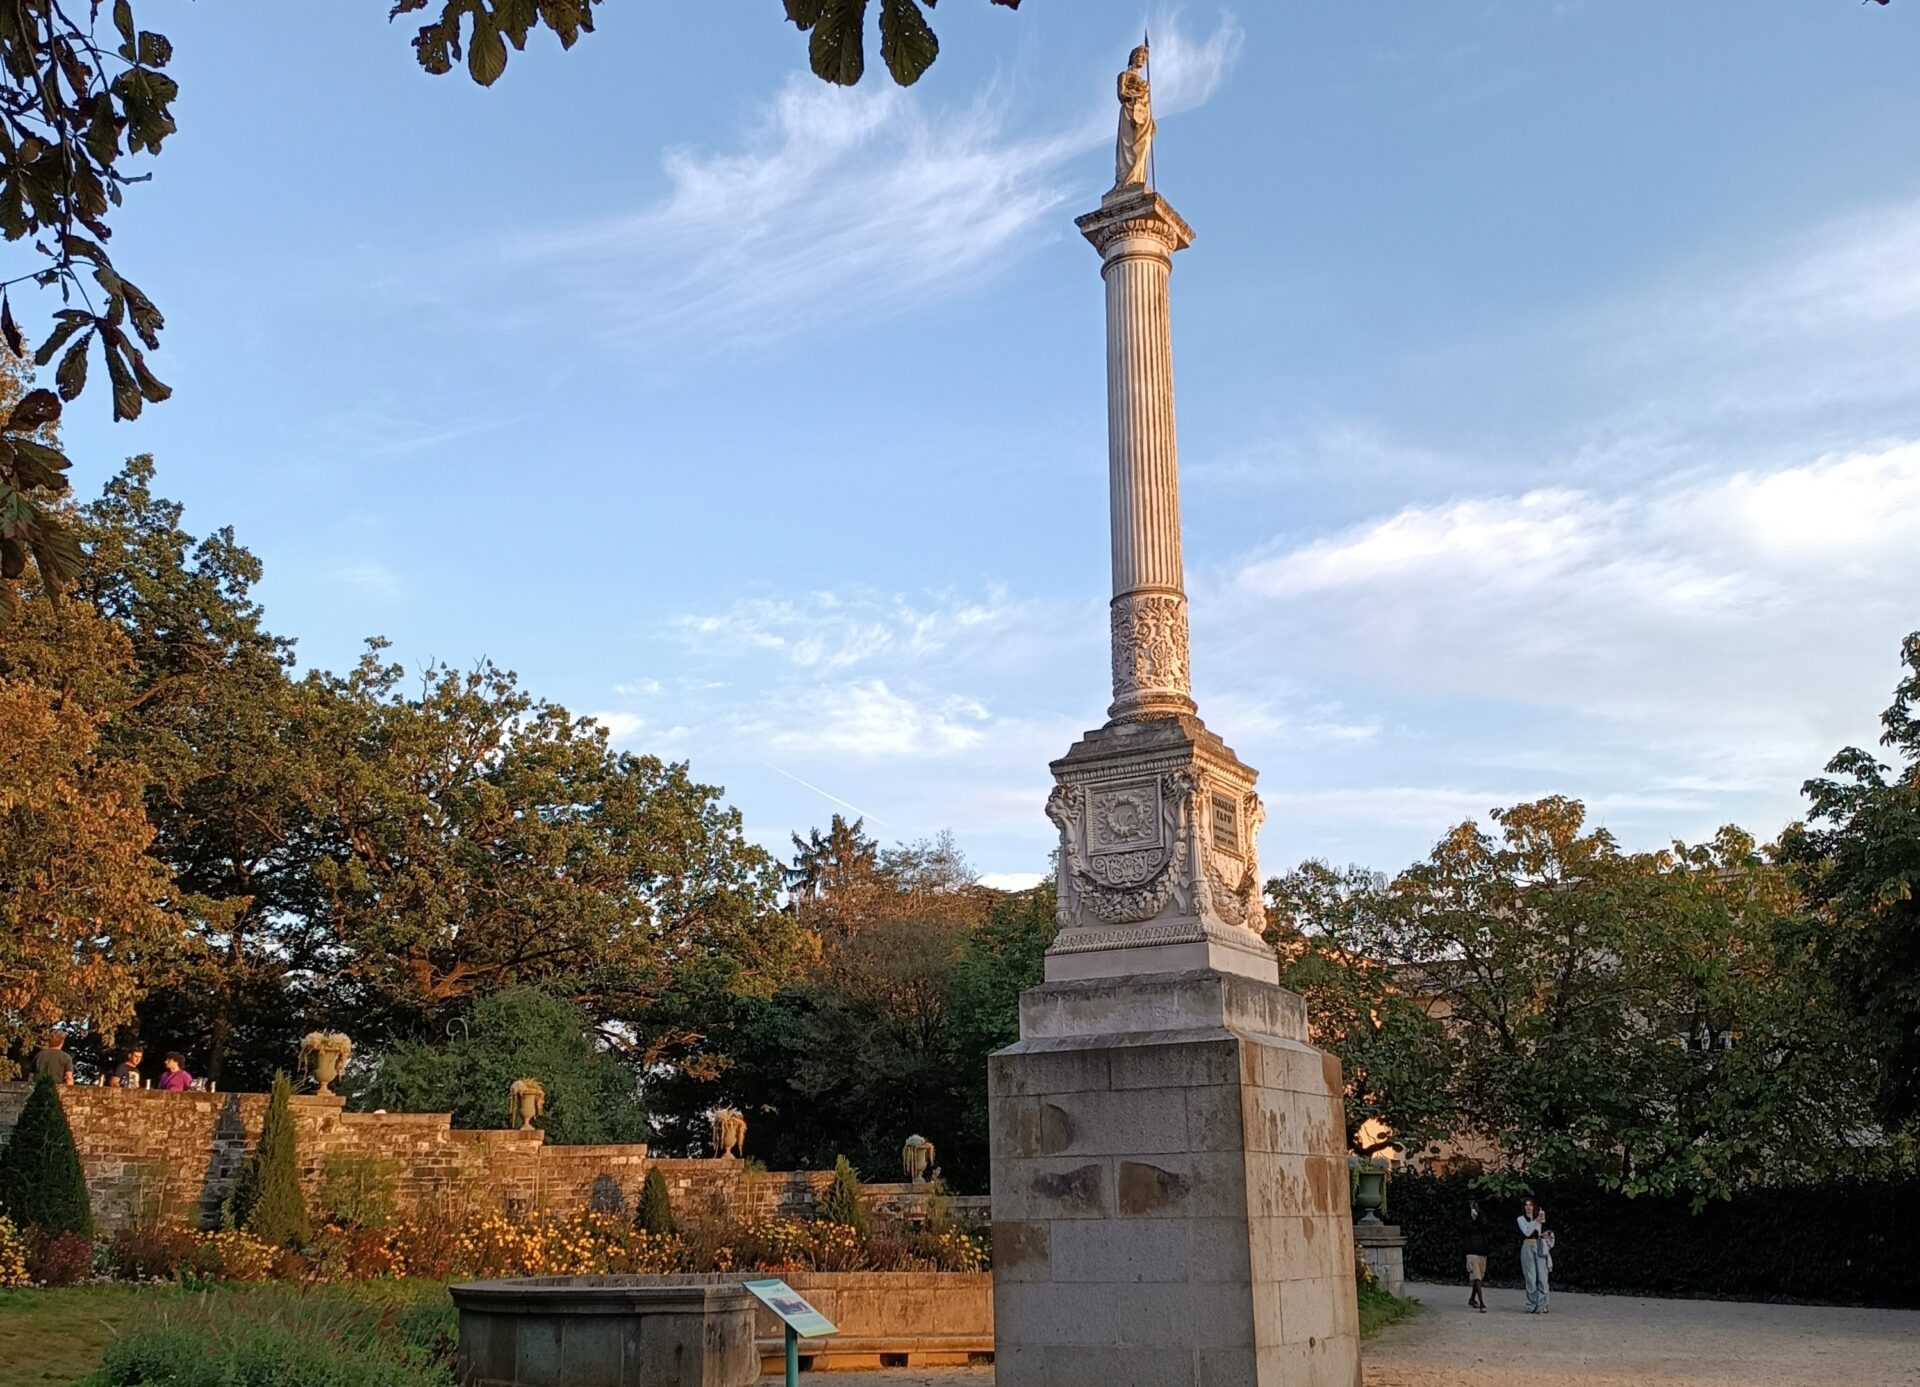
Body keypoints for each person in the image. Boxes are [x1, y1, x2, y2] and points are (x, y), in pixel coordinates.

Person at [1518, 1198, 1551, 1314]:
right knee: (1530, 1278)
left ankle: (1543, 1304)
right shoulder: (1521, 1219)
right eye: (1526, 1205)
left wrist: (1546, 1234)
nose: (1528, 1207)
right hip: (1527, 1246)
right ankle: (1531, 1304)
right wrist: (1536, 1222)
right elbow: (1526, 1232)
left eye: (1530, 1205)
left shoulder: (1540, 1218)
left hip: (1539, 1246)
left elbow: (1541, 1233)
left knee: (1542, 1277)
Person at [1463, 1195, 1491, 1311]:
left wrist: (1479, 1214)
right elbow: (1467, 1227)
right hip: (1471, 1249)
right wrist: (1473, 1217)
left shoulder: (1480, 1215)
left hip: (1481, 1249)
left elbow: (1485, 1226)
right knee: (1477, 1276)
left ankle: (1472, 1298)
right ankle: (1482, 1303)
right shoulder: (1464, 1216)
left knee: (1479, 1276)